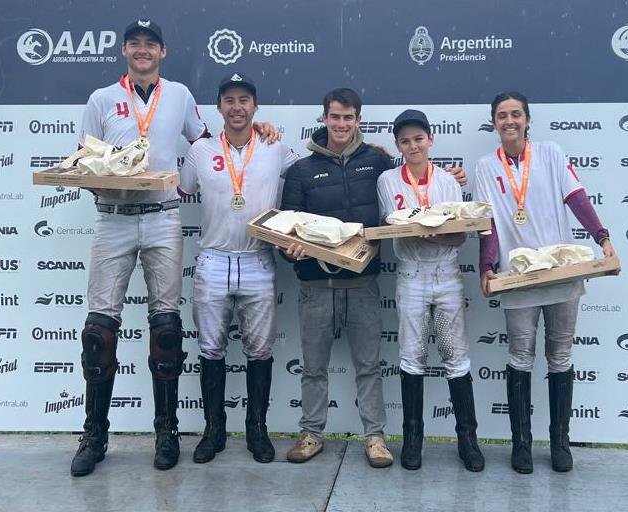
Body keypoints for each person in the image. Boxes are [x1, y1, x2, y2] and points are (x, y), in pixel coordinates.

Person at [69, 20, 275, 476]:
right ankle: (94, 435)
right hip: (114, 219)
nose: (143, 51)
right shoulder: (101, 99)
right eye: (135, 44)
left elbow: (208, 145)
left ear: (162, 51)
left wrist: (258, 130)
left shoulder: (179, 95)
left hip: (163, 219)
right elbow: (83, 165)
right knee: (98, 333)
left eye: (151, 45)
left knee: (166, 331)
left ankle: (167, 431)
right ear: (124, 50)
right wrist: (109, 182)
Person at [280, 88, 466, 468]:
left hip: (363, 284)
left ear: (358, 120)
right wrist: (289, 248)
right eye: (335, 117)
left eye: (349, 117)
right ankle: (312, 433)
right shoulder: (300, 169)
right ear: (324, 118)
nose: (342, 124)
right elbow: (288, 226)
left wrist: (450, 177)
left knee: (369, 367)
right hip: (315, 287)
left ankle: (375, 437)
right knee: (313, 368)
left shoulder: (378, 161)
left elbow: (413, 180)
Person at [472, 91, 617, 474]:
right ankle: (521, 444)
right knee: (520, 356)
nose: (509, 121)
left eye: (516, 114)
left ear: (527, 119)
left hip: (560, 273)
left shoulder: (551, 154)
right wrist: (486, 265)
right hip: (518, 278)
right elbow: (487, 223)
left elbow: (577, 198)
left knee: (560, 357)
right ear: (494, 122)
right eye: (502, 115)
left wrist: (602, 237)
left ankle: (560, 443)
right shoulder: (486, 166)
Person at [178, 72, 297, 464]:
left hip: (259, 261)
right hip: (213, 259)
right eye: (229, 100)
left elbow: (312, 172)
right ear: (219, 108)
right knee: (210, 349)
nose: (237, 107)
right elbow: (182, 189)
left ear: (255, 106)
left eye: (244, 100)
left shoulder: (275, 145)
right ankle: (214, 431)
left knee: (259, 350)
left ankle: (256, 431)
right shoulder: (201, 151)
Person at [376, 109, 484, 471]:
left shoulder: (449, 182)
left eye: (418, 138)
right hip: (410, 274)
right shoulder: (388, 180)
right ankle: (412, 441)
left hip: (446, 273)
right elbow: (391, 226)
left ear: (430, 139)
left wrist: (430, 229)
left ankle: (468, 441)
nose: (413, 145)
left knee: (456, 356)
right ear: (398, 145)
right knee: (411, 357)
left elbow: (460, 235)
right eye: (405, 140)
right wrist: (422, 228)